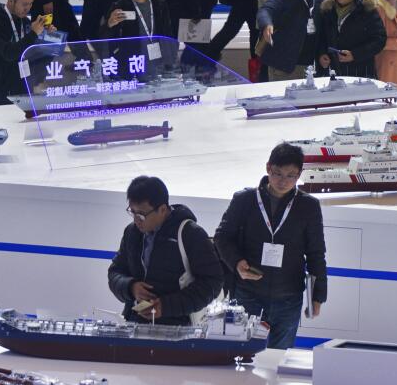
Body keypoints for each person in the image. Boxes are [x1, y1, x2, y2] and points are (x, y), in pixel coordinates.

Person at [215, 142, 328, 349]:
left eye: (290, 176)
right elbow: (222, 237)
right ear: (268, 168)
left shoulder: (308, 206)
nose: (283, 181)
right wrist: (237, 263)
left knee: (279, 357)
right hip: (247, 294)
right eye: (277, 174)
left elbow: (316, 253)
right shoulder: (245, 200)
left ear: (299, 174)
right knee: (241, 353)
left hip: (289, 298)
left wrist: (318, 296)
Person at [108, 175, 222, 325]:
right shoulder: (131, 232)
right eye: (132, 212)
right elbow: (115, 272)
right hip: (134, 324)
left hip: (177, 329)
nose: (136, 220)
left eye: (141, 215)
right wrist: (130, 287)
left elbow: (212, 283)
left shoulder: (190, 234)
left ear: (162, 209)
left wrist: (166, 306)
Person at [257, 0, 325, 80]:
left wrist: (322, 52)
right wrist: (266, 24)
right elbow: (267, 9)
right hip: (284, 63)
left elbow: (321, 26)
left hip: (309, 64)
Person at [0, 0, 47, 105]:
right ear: (11, 1)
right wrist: (33, 34)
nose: (28, 8)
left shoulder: (25, 22)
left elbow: (34, 52)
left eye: (30, 4)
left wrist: (47, 37)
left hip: (23, 87)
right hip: (2, 91)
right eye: (24, 4)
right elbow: (9, 53)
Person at [313, 0, 384, 78]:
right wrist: (323, 54)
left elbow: (379, 39)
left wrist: (355, 55)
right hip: (334, 72)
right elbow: (322, 37)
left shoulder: (367, 10)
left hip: (361, 73)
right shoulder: (328, 11)